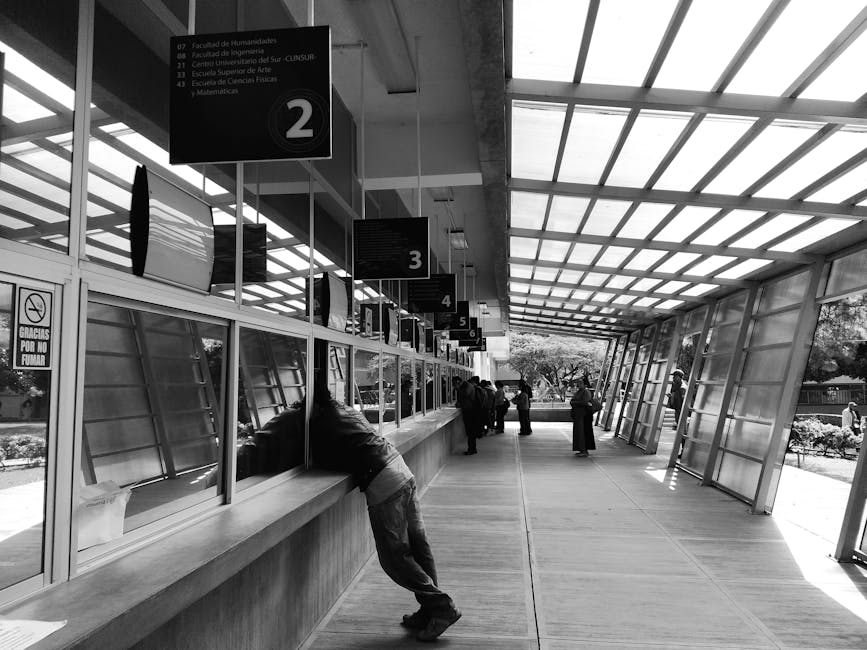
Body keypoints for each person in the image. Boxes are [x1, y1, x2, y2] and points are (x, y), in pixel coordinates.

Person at [265, 385, 462, 642]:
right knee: (417, 546)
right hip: (401, 470)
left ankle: (441, 607)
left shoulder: (321, 422)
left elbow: (317, 456)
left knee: (394, 557)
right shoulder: (345, 411)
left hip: (384, 484)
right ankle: (430, 610)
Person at [453, 376, 482, 454]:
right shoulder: (465, 385)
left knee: (470, 431)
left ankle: (471, 449)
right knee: (470, 431)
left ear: (458, 381)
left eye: (455, 383)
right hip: (468, 410)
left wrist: (458, 388)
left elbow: (466, 394)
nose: (454, 385)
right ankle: (472, 448)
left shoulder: (467, 385)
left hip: (470, 411)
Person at [570, 384, 596, 457]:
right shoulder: (579, 392)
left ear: (584, 384)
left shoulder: (586, 392)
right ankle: (581, 449)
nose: (578, 384)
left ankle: (584, 450)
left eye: (580, 383)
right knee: (578, 432)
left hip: (584, 416)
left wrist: (574, 402)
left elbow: (584, 402)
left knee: (582, 433)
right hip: (578, 415)